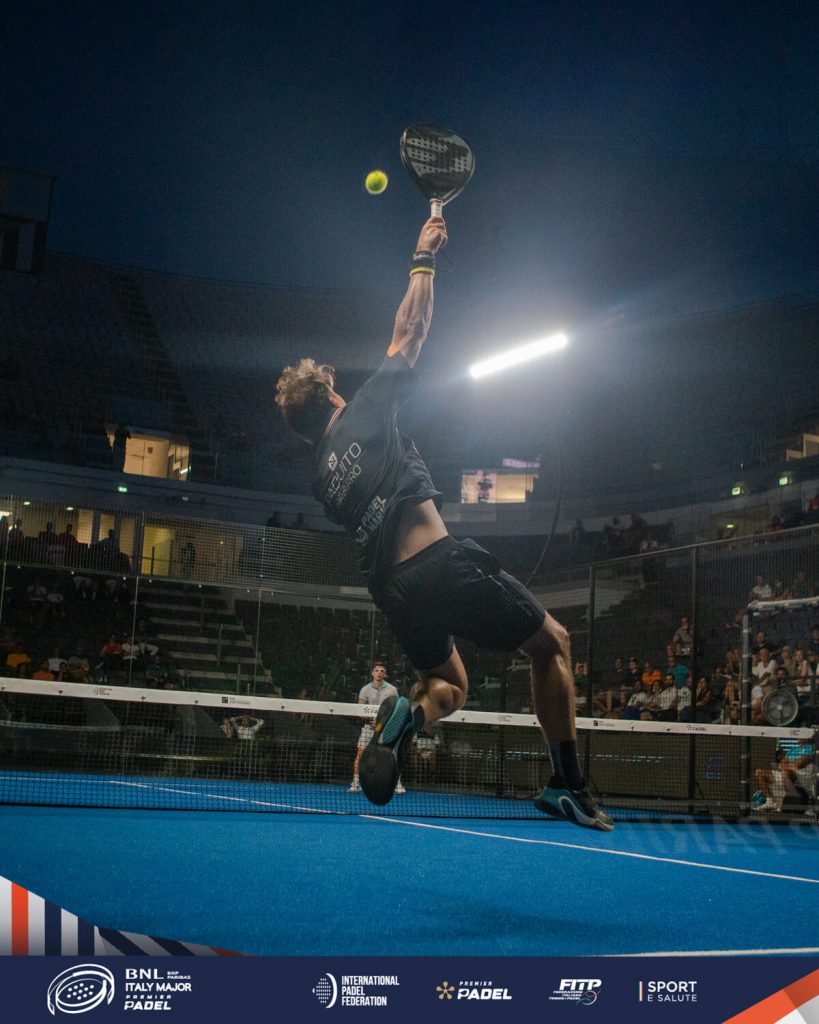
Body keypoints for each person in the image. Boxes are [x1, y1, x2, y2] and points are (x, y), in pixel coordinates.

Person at [274, 214, 612, 830]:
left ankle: (409, 719)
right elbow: (412, 328)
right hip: (438, 564)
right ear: (330, 397)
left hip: (394, 591)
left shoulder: (322, 478)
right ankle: (567, 784)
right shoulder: (362, 411)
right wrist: (423, 254)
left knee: (449, 686)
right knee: (553, 644)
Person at [349, 661, 405, 795]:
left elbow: (396, 708)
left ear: (385, 674)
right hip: (369, 728)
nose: (379, 673)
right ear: (372, 673)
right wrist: (369, 719)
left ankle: (397, 784)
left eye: (382, 671)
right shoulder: (365, 689)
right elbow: (360, 708)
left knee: (393, 756)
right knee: (360, 754)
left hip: (386, 729)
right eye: (377, 670)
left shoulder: (392, 690)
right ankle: (356, 783)